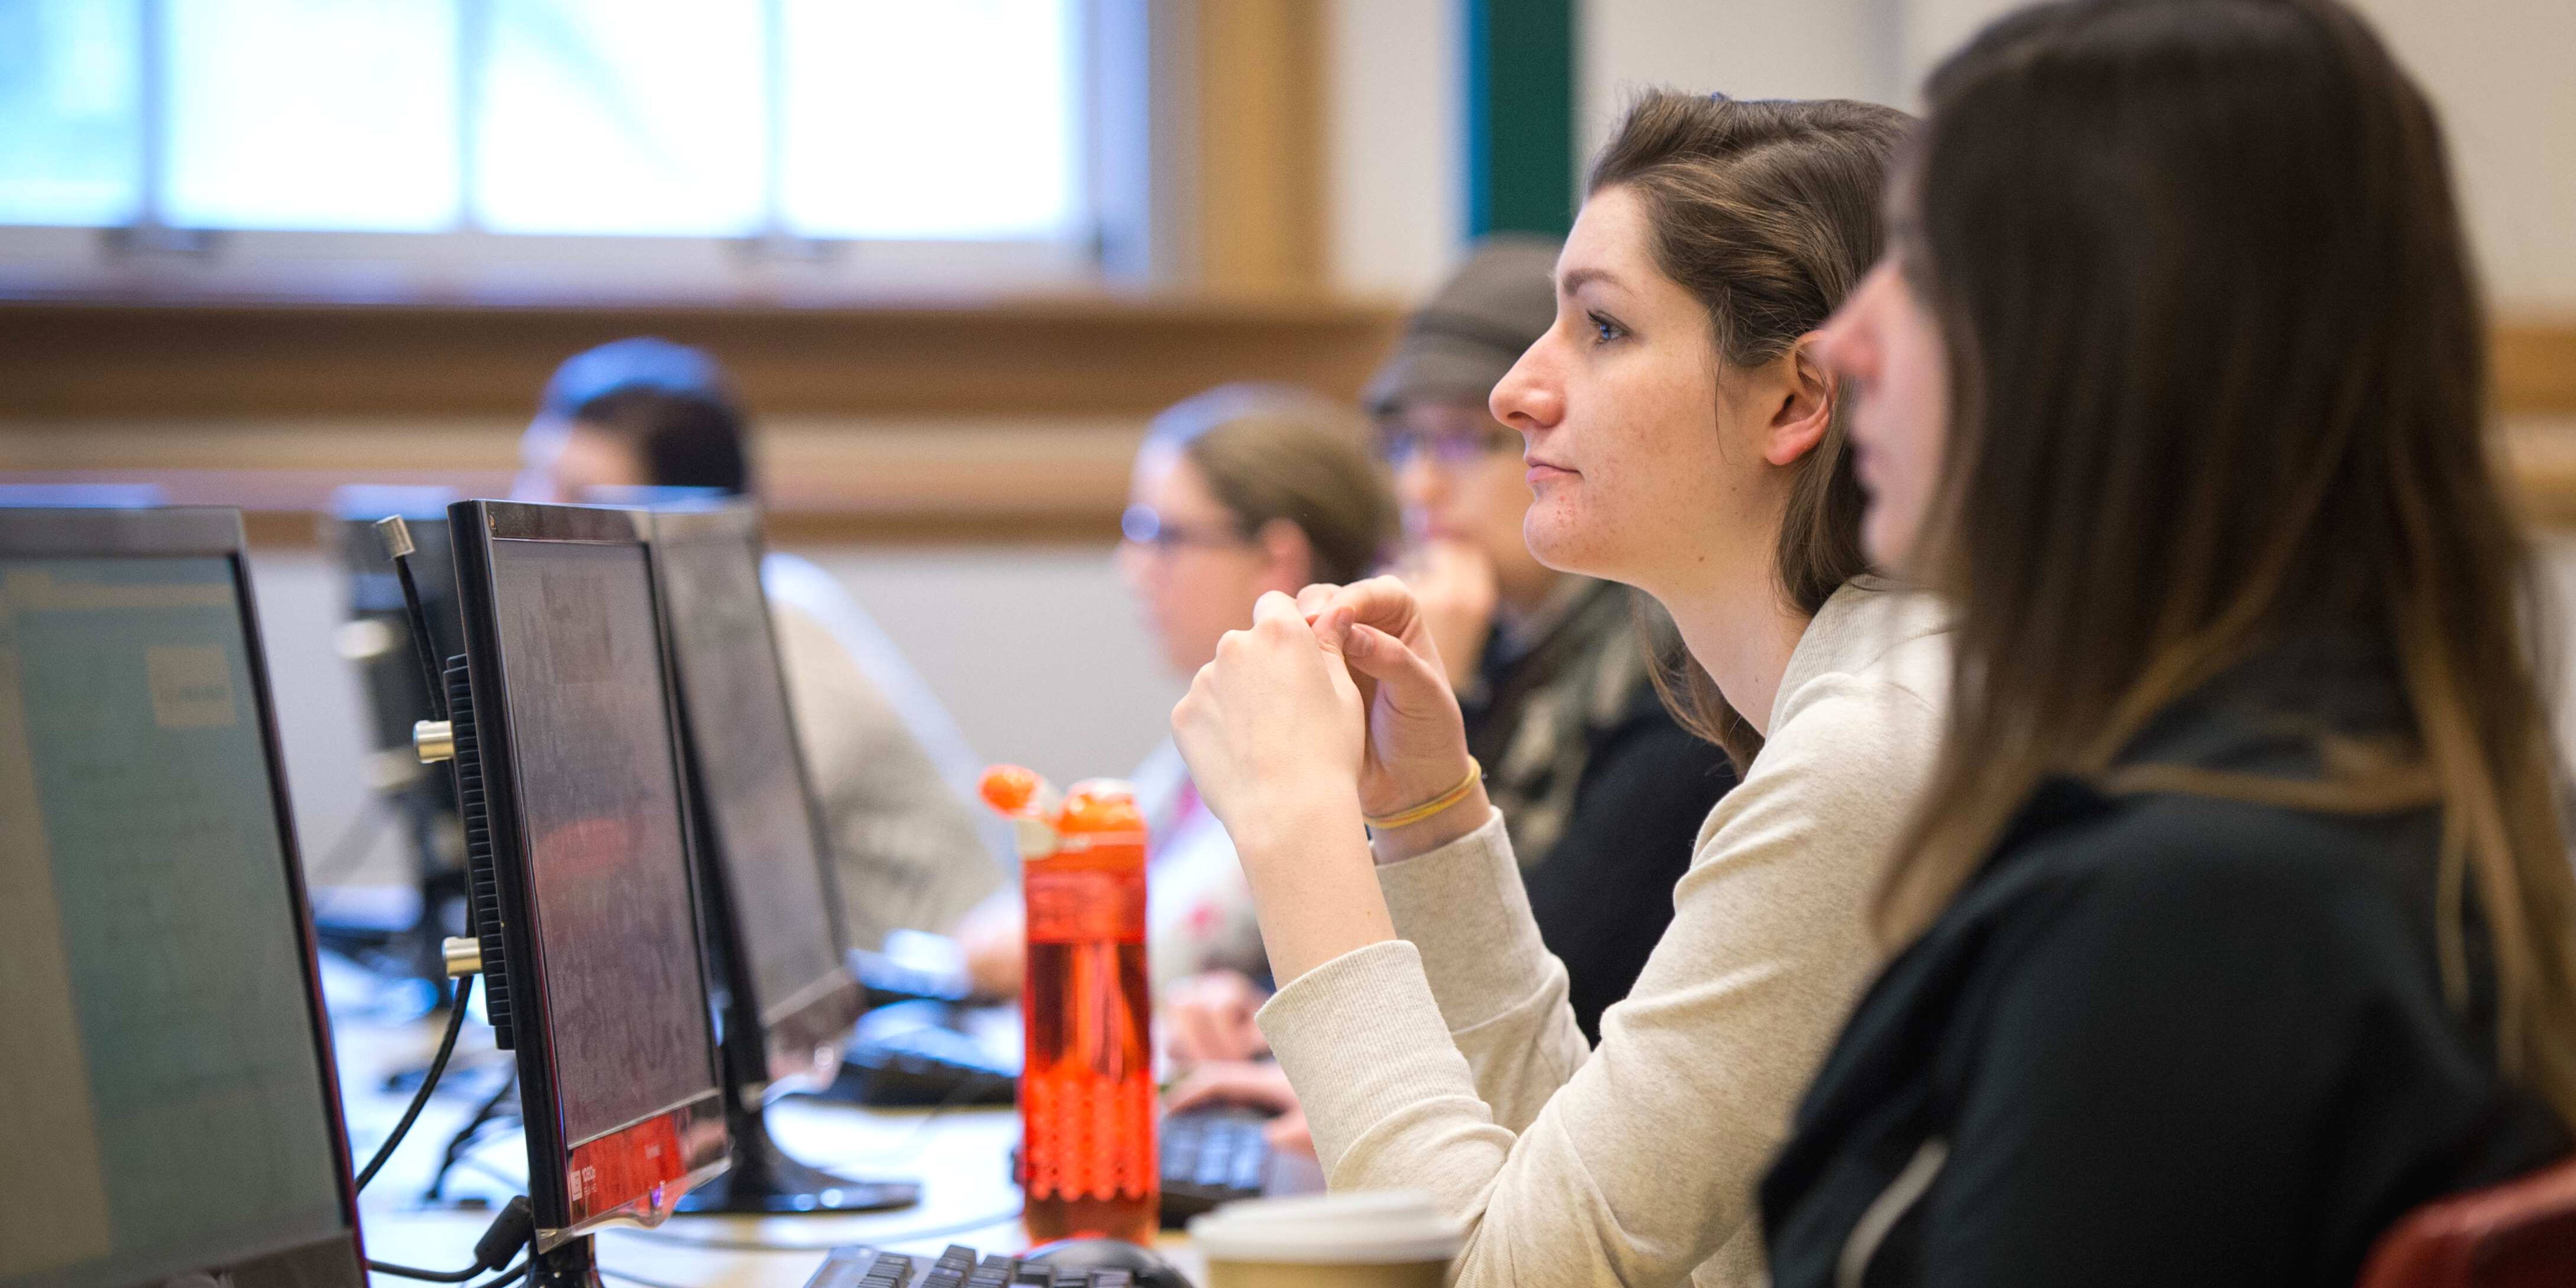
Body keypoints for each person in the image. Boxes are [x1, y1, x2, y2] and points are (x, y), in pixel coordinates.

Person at [1757, 3, 2576, 1285]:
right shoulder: (2383, 785)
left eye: (1916, 263)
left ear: (2101, 340)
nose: (1846, 343)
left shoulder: (2190, 910)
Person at [1166, 93, 1938, 1286]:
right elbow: (1573, 1216)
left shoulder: (1868, 753)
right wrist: (1430, 822)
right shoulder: (1869, 701)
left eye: (1605, 330)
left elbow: (1494, 1277)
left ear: (1797, 399)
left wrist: (1297, 832)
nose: (1517, 392)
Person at [1164, 239, 1736, 1068]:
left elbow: (1542, 984)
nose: (1420, 487)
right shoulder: (1508, 638)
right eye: (1402, 446)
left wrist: (1446, 706)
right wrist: (1255, 998)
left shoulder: (1673, 667)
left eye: (1466, 442)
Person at [514, 337, 1003, 950]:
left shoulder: (783, 635)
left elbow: (668, 865)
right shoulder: (626, 639)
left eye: (580, 499)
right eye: (537, 477)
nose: (534, 516)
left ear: (688, 524)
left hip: (941, 992)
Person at [955, 385, 1399, 1040]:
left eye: (1160, 536)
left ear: (1274, 561)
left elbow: (1124, 959)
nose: (1131, 567)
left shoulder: (1328, 736)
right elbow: (1097, 857)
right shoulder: (1229, 715)